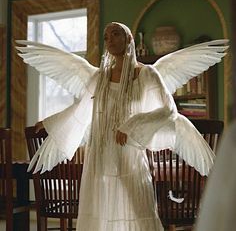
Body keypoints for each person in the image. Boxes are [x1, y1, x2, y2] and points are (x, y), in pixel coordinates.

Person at [16, 22, 228, 231]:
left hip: (129, 155)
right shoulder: (100, 77)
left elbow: (168, 111)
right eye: (106, 37)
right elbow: (80, 108)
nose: (110, 40)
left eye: (116, 34)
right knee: (99, 209)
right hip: (99, 155)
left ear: (128, 39)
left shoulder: (147, 75)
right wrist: (48, 122)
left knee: (138, 208)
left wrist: (131, 125)